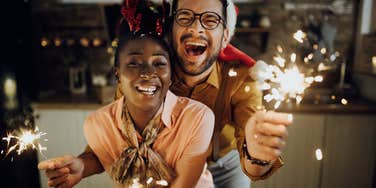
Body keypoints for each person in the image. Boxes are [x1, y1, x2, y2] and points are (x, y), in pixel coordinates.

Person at [40, 0, 294, 187]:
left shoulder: (242, 79)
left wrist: (257, 155)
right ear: (170, 30)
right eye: (185, 17)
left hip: (226, 167)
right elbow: (118, 140)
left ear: (225, 35)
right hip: (168, 168)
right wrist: (82, 166)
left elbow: (251, 156)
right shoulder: (145, 76)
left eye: (210, 20)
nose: (196, 29)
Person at [38, 1, 215, 187]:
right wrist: (82, 167)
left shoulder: (197, 118)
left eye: (159, 63)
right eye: (134, 63)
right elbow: (103, 154)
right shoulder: (99, 124)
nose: (147, 72)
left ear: (171, 75)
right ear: (117, 74)